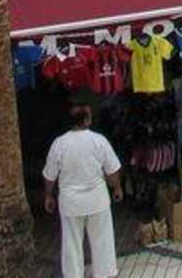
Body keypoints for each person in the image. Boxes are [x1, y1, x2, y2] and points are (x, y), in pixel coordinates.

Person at [43, 105, 122, 278]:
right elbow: (112, 170)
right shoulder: (99, 141)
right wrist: (117, 188)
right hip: (97, 201)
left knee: (71, 244)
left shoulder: (59, 143)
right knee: (102, 241)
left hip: (70, 203)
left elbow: (50, 175)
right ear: (86, 120)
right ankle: (105, 274)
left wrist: (48, 195)